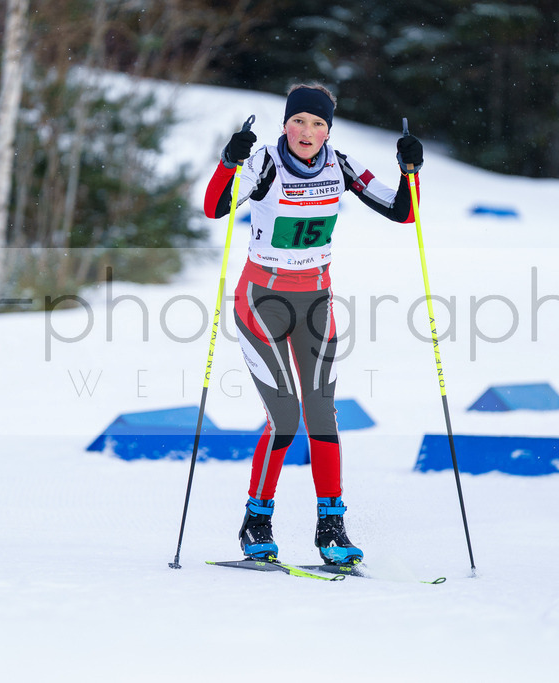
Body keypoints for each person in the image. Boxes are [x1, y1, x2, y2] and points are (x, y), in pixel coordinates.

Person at [202, 83, 423, 565]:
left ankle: (332, 526)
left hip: (316, 303)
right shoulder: (263, 164)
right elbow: (215, 207)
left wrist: (410, 171)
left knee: (323, 415)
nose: (308, 132)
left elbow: (403, 212)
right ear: (285, 124)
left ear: (328, 129)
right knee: (284, 418)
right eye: (299, 121)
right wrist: (229, 160)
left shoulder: (338, 165)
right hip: (261, 301)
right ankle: (256, 520)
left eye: (319, 123)